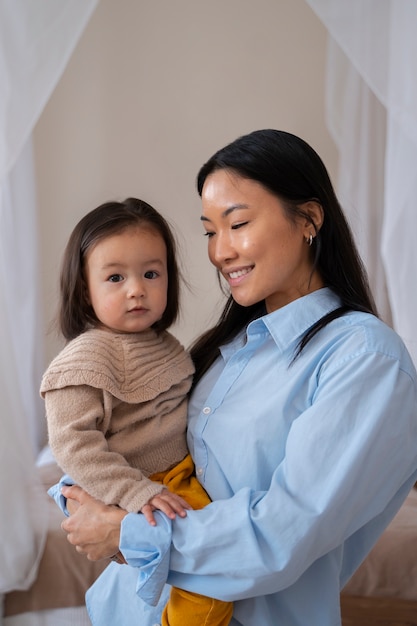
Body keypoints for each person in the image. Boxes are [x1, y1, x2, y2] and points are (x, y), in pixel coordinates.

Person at [58, 130, 417, 626]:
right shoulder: (222, 351)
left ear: (310, 219)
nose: (220, 252)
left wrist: (125, 533)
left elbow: (284, 534)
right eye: (209, 231)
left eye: (238, 223)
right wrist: (81, 497)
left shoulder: (364, 358)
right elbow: (137, 448)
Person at [42, 198, 233, 626]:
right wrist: (134, 493)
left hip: (181, 475)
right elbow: (74, 445)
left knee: (217, 567)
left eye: (151, 273)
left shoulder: (164, 346)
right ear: (84, 292)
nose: (136, 289)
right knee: (213, 578)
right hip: (142, 484)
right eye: (115, 277)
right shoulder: (84, 359)